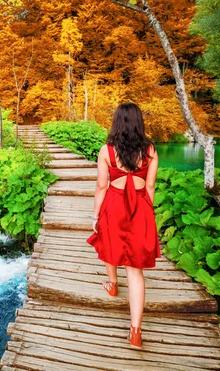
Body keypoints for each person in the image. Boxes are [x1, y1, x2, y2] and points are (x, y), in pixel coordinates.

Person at [86, 102, 161, 349]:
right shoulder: (150, 150)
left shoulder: (106, 150)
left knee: (109, 242)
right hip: (140, 207)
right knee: (135, 270)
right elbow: (150, 188)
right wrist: (146, 214)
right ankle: (136, 331)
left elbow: (101, 187)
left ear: (116, 122)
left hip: (114, 205)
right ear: (139, 122)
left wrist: (95, 216)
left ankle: (112, 285)